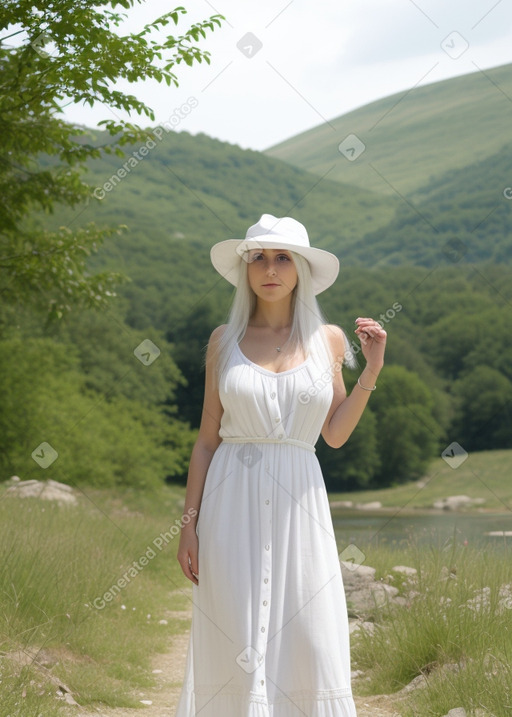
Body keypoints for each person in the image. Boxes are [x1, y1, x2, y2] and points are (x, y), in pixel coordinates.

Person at [175, 214, 387, 716]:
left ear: (301, 270)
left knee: (311, 635)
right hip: (229, 505)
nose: (270, 268)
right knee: (235, 635)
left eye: (283, 257)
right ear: (247, 270)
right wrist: (188, 526)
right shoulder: (222, 340)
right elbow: (206, 441)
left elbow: (333, 434)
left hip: (302, 505)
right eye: (259, 258)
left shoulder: (329, 340)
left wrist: (372, 370)